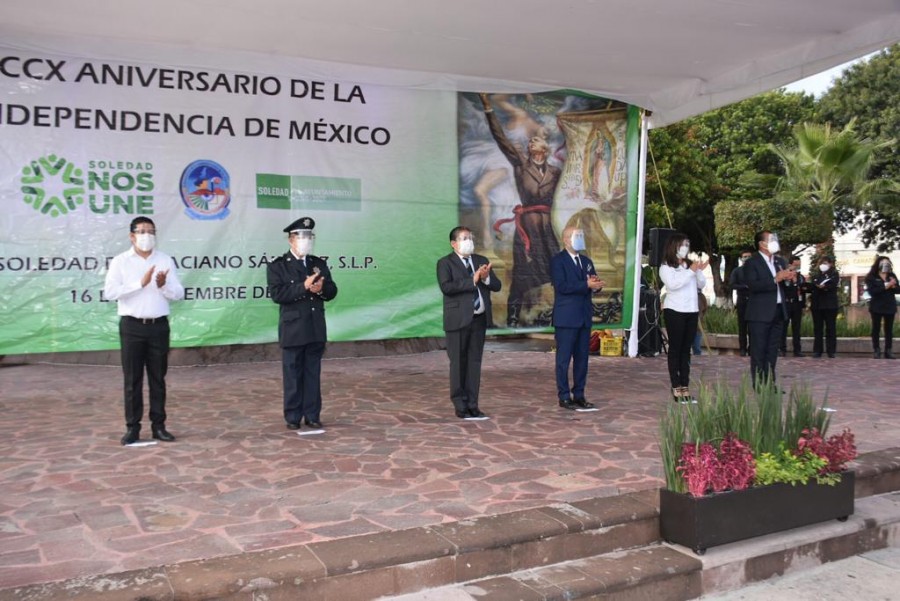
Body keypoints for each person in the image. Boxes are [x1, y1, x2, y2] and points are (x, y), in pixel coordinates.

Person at [479, 93, 560, 327]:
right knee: (522, 271)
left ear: (545, 148)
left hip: (546, 226)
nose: (531, 142)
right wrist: (488, 109)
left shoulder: (555, 172)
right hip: (527, 227)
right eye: (530, 141)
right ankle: (513, 316)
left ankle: (557, 314)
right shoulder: (520, 164)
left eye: (536, 140)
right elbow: (501, 138)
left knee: (556, 268)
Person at [103, 216, 185, 445]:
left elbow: (179, 293)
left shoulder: (165, 259)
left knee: (158, 378)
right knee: (133, 379)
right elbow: (110, 292)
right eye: (141, 231)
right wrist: (140, 283)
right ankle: (133, 428)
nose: (146, 236)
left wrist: (163, 286)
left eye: (151, 231)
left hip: (158, 326)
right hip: (132, 327)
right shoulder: (120, 261)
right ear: (132, 236)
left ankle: (159, 426)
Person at [267, 217, 338, 430]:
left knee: (312, 374)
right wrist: (304, 286)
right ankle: (293, 416)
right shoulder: (278, 266)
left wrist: (321, 290)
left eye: (310, 237)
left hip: (315, 327)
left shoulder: (318, 264)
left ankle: (312, 415)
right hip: (293, 329)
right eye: (302, 237)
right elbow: (278, 294)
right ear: (291, 240)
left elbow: (333, 290)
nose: (306, 240)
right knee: (292, 374)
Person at [437, 226, 502, 419]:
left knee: (474, 363)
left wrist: (486, 277)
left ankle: (473, 404)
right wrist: (472, 280)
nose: (469, 241)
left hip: (478, 320)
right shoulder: (445, 263)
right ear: (454, 243)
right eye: (465, 238)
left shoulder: (481, 261)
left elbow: (497, 286)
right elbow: (447, 287)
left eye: (471, 237)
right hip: (457, 320)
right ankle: (460, 405)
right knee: (458, 363)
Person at [551, 226, 605, 410]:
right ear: (566, 239)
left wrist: (597, 286)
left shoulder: (586, 261)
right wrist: (586, 284)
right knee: (563, 360)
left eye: (582, 235)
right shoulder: (558, 261)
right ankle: (564, 396)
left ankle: (579, 394)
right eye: (577, 236)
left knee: (582, 359)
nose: (580, 238)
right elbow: (562, 286)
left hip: (583, 317)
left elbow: (592, 281)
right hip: (566, 318)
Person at [743, 231, 796, 386]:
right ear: (762, 244)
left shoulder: (779, 261)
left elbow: (784, 285)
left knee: (772, 350)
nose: (775, 241)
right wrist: (775, 279)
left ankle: (770, 383)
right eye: (771, 239)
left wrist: (789, 279)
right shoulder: (752, 263)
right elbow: (753, 285)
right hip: (760, 313)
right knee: (759, 350)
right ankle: (759, 384)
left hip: (779, 310)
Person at [659, 233, 707, 402]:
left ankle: (685, 386)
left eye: (687, 244)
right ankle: (676, 386)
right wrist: (691, 272)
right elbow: (673, 284)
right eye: (682, 245)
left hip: (691, 310)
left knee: (686, 350)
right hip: (675, 311)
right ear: (674, 246)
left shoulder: (689, 265)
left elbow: (701, 284)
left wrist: (698, 271)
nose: (685, 247)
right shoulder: (666, 267)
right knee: (676, 349)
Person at [865, 255, 899, 359]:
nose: (885, 265)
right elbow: (873, 291)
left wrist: (893, 285)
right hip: (877, 306)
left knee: (888, 329)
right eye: (883, 263)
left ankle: (888, 350)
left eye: (887, 263)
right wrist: (886, 286)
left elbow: (898, 290)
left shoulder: (891, 275)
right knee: (876, 328)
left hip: (889, 305)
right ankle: (877, 350)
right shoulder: (871, 277)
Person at [808, 256, 839, 359]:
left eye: (825, 263)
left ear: (830, 264)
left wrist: (824, 287)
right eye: (821, 263)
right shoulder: (816, 276)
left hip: (830, 305)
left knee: (830, 328)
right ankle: (817, 350)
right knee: (818, 329)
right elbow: (813, 286)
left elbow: (832, 285)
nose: (823, 265)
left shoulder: (834, 275)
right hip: (817, 305)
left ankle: (831, 351)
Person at [780, 255, 807, 357]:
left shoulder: (800, 277)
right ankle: (782, 349)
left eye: (799, 265)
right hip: (787, 304)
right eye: (795, 265)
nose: (797, 267)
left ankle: (797, 350)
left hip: (797, 304)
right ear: (790, 264)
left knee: (797, 328)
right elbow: (782, 288)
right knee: (783, 327)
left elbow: (803, 290)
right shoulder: (784, 276)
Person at [729, 249, 753, 357]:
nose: (747, 259)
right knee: (742, 326)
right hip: (742, 301)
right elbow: (732, 285)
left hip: (754, 302)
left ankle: (752, 348)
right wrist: (745, 286)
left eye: (749, 256)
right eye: (745, 257)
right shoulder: (737, 271)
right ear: (741, 258)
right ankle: (742, 348)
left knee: (753, 327)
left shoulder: (755, 271)